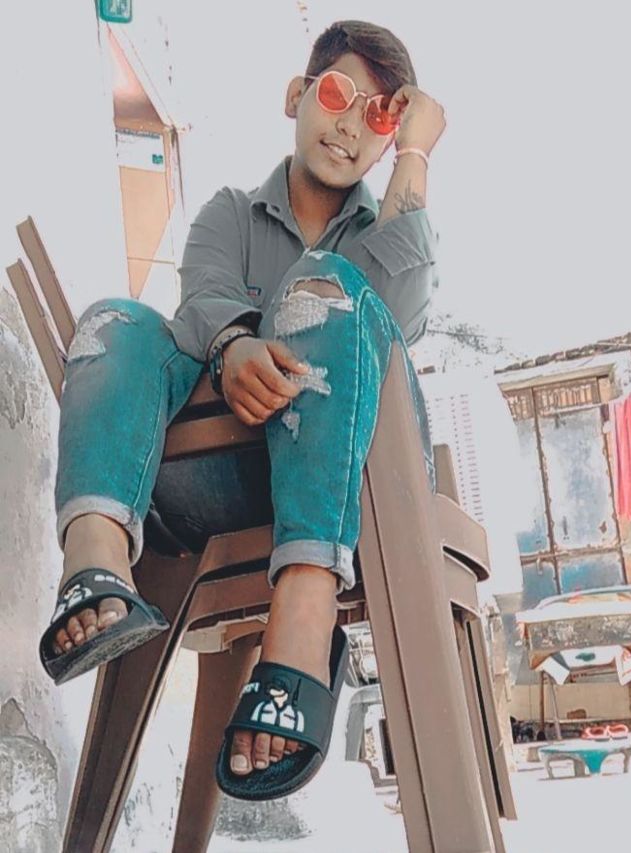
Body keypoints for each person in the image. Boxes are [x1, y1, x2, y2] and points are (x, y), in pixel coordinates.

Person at [39, 19, 445, 796]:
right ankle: (95, 559)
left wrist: (416, 155)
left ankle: (305, 610)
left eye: (380, 115)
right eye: (338, 95)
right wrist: (232, 345)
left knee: (323, 289)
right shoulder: (228, 213)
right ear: (297, 96)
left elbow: (399, 311)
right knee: (113, 320)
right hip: (220, 486)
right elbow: (203, 297)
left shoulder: (386, 235)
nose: (351, 125)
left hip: (348, 492)